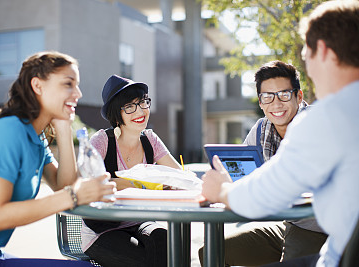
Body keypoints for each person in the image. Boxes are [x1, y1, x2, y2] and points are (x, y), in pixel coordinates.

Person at [201, 1, 359, 267]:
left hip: (335, 254)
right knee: (215, 250)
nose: (308, 66)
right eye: (267, 97)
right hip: (328, 242)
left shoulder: (325, 119)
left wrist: (224, 190)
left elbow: (265, 193)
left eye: (306, 55)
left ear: (321, 50)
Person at [0, 51, 116, 267]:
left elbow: (64, 185)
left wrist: (63, 126)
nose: (78, 93)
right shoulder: (8, 132)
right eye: (68, 84)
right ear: (38, 86)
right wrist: (73, 195)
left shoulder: (35, 137)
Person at [199, 60, 327, 266]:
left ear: (299, 96)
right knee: (213, 252)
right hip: (290, 224)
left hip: (319, 227)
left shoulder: (316, 125)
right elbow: (239, 174)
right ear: (260, 102)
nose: (275, 104)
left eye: (284, 94)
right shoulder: (261, 130)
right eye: (267, 96)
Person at [81, 74, 182, 267]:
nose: (140, 111)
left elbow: (178, 176)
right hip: (103, 230)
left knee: (165, 239)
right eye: (129, 106)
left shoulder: (150, 139)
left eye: (143, 102)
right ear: (116, 113)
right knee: (148, 261)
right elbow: (86, 185)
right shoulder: (102, 141)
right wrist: (142, 184)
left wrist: (175, 182)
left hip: (140, 223)